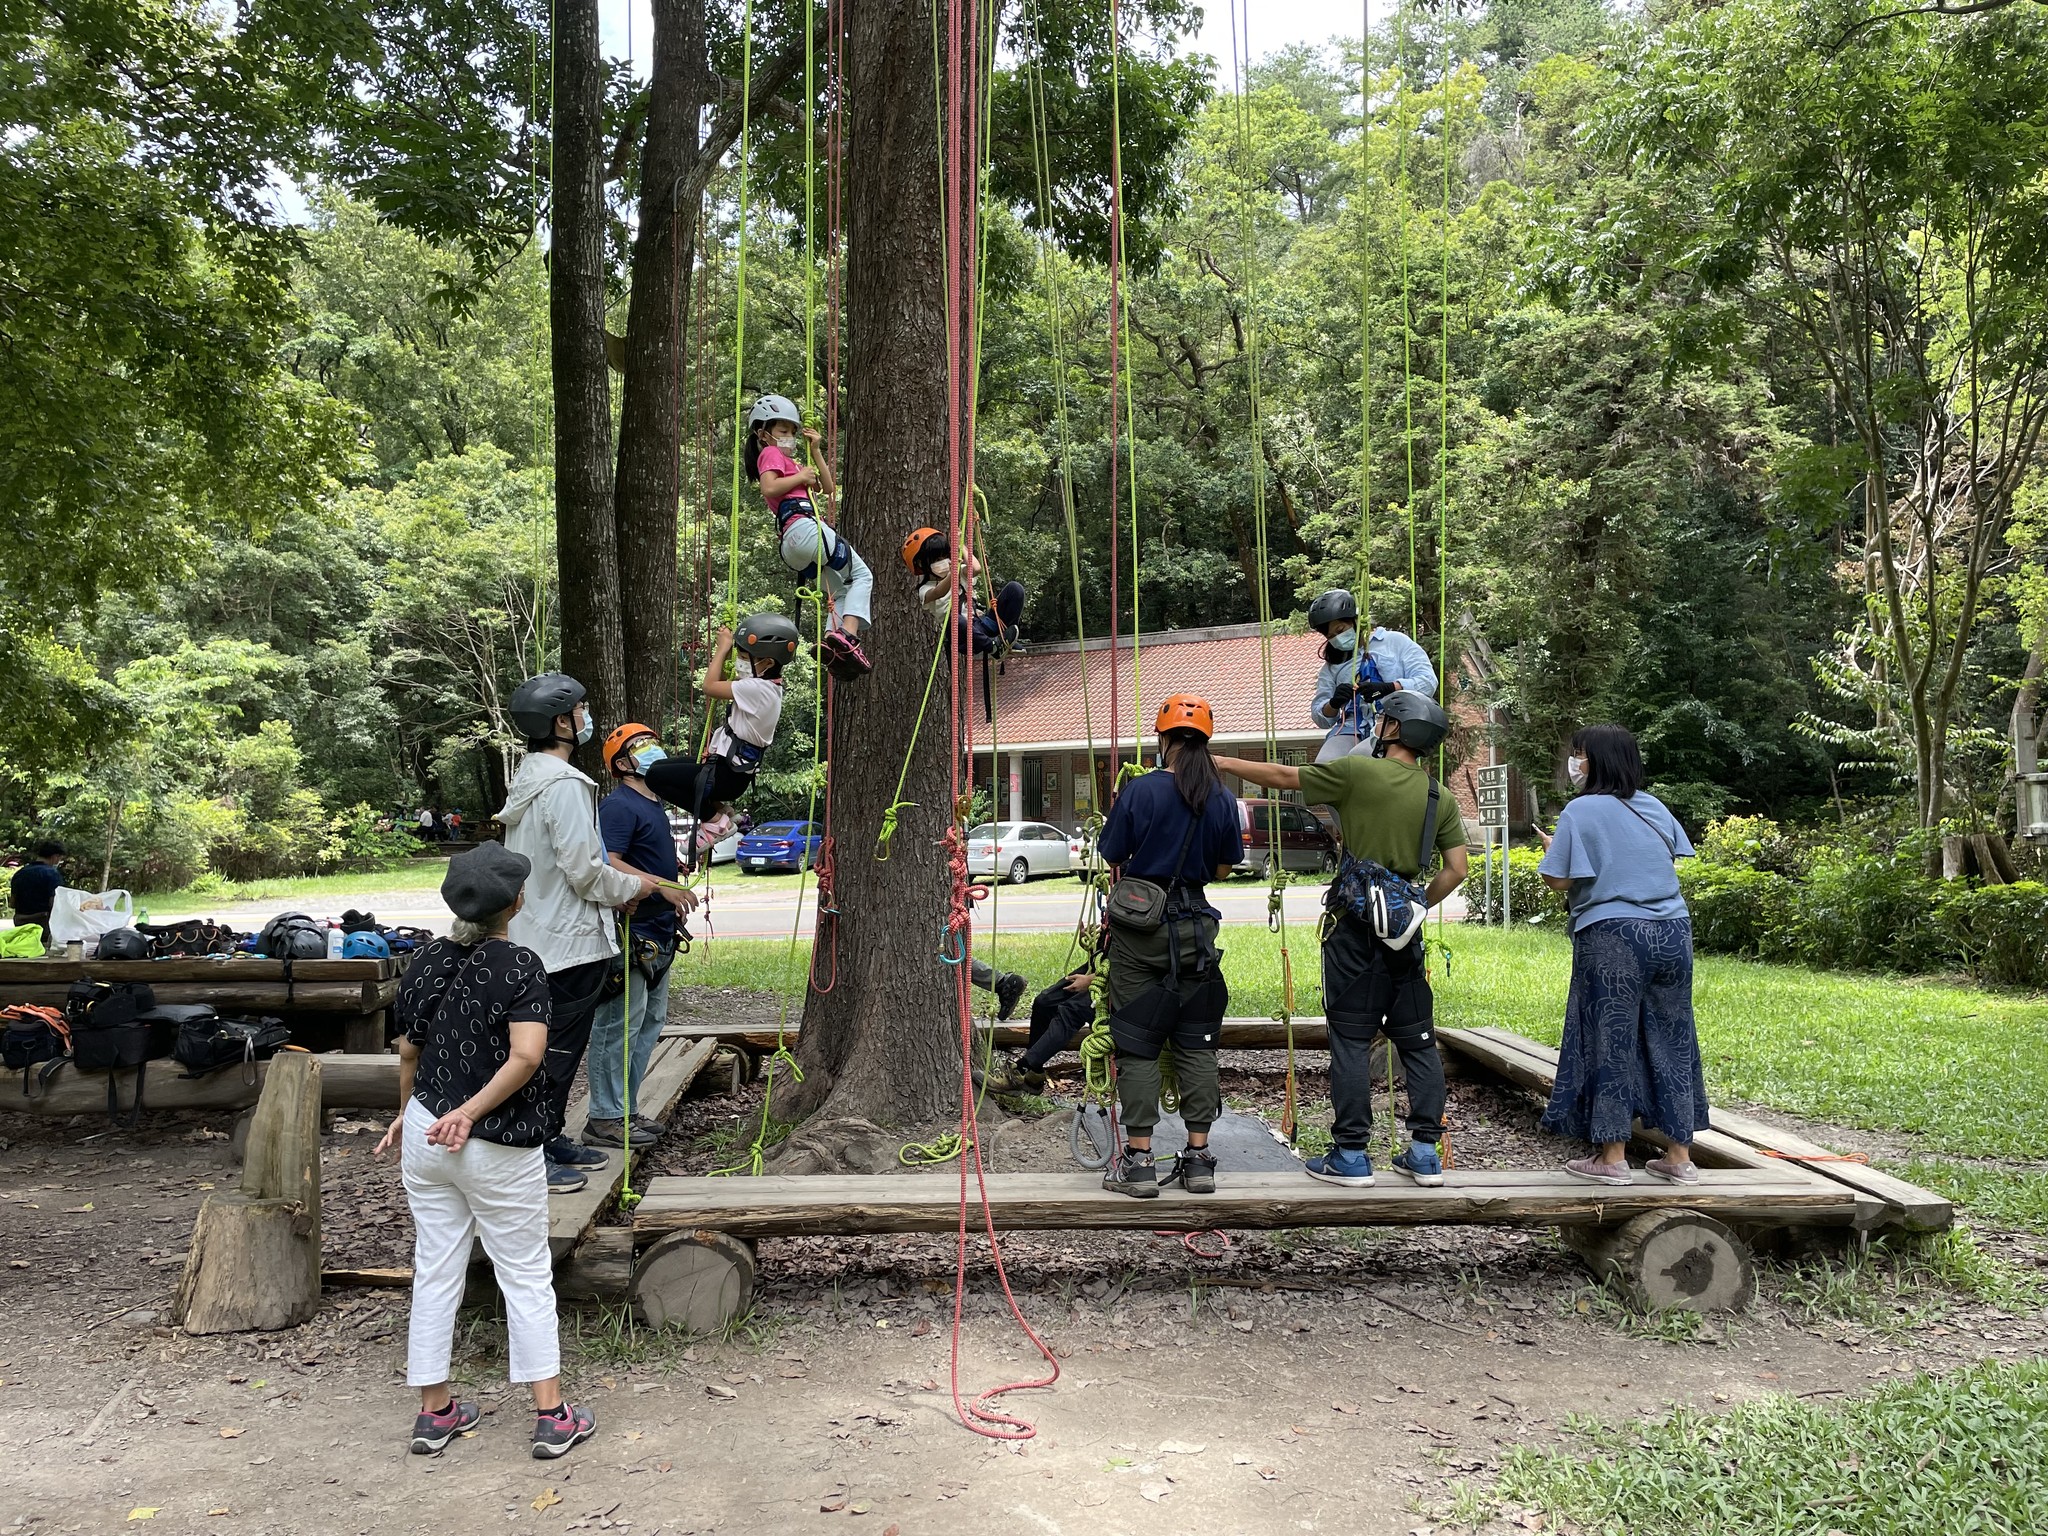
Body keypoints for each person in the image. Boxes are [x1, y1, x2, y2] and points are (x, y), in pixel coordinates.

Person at [374, 841, 598, 1461]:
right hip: (494, 1141)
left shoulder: (420, 961)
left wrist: (408, 1114)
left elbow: (409, 1054)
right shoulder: (521, 964)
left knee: (436, 1268)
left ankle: (435, 1412)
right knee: (523, 1272)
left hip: (425, 1135)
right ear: (516, 902)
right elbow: (527, 1057)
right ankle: (552, 1416)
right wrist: (469, 1113)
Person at [1220, 690, 1468, 1187]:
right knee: (1418, 1040)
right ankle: (1424, 1153)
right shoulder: (1438, 796)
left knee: (1352, 1040)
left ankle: (1351, 1155)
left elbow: (1288, 778)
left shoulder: (1358, 774)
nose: (1378, 726)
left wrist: (1220, 759)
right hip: (1405, 934)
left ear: (1395, 729)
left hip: (1352, 928)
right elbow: (1456, 869)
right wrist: (1412, 908)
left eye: (1384, 721)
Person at [499, 673, 664, 1194]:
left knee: (553, 1049)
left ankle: (549, 1136)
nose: (587, 718)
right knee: (554, 1053)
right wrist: (636, 887)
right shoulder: (565, 785)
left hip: (538, 935)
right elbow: (586, 870)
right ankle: (531, 1149)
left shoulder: (531, 775)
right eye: (581, 711)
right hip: (566, 942)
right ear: (561, 722)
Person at [1538, 724, 1705, 1186]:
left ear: (1596, 761)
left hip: (1614, 936)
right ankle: (1679, 1155)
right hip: (1673, 932)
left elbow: (1560, 881)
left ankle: (1611, 1158)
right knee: (1674, 1037)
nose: (1575, 762)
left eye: (1579, 754)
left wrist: (1553, 853)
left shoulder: (1580, 810)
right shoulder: (1654, 806)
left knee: (1610, 1037)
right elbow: (1660, 862)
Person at [1095, 695, 1245, 1198]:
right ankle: (1199, 1158)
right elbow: (1224, 866)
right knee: (1196, 1041)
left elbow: (1112, 853)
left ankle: (1139, 1162)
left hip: (1141, 932)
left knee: (1137, 1042)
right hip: (1196, 931)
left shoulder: (1140, 791)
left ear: (1164, 741)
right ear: (1205, 742)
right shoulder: (1220, 797)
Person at [588, 724, 701, 1151]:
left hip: (659, 930)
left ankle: (626, 1109)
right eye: (641, 746)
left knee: (648, 1024)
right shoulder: (618, 805)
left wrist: (670, 879)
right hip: (631, 931)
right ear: (621, 764)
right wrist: (661, 886)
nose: (653, 750)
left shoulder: (653, 802)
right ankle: (604, 1115)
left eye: (653, 742)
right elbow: (608, 861)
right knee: (619, 1024)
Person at [745, 394, 872, 679]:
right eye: (783, 431)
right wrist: (801, 478)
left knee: (839, 590)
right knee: (863, 576)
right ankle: (848, 637)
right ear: (763, 434)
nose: (789, 436)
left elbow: (827, 488)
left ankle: (833, 639)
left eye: (792, 431)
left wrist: (815, 451)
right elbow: (769, 488)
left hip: (794, 544)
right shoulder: (771, 454)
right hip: (805, 529)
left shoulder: (793, 465)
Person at [646, 615, 796, 855]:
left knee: (655, 776)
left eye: (745, 658)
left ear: (767, 662)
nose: (740, 662)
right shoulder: (765, 687)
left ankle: (714, 820)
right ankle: (720, 812)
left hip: (727, 775)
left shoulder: (757, 689)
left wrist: (723, 648)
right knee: (663, 767)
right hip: (727, 771)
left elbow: (709, 686)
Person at [1305, 589, 1438, 763]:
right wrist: (1334, 703)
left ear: (1355, 620)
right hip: (1351, 727)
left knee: (1359, 759)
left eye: (1340, 630)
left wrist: (1390, 688)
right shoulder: (1332, 667)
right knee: (1324, 767)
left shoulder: (1395, 642)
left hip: (1392, 724)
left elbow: (1428, 682)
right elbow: (1321, 718)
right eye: (1331, 636)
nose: (1337, 638)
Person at [900, 526, 1025, 659]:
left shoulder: (958, 572)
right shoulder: (924, 590)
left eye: (945, 556)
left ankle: (1005, 639)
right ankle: (993, 647)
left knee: (1015, 589)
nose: (943, 562)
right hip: (963, 636)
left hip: (981, 623)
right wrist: (953, 574)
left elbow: (976, 568)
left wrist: (961, 545)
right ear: (921, 563)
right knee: (954, 618)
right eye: (937, 560)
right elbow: (938, 592)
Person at [979, 970, 1095, 1095]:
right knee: (1045, 1002)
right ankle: (1033, 1075)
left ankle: (1020, 1071)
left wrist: (1090, 980)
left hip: (1114, 980)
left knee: (1071, 1012)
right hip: (1101, 964)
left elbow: (1119, 968)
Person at [9, 841, 64, 934]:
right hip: (42, 923)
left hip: (21, 923)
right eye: (60, 859)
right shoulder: (52, 874)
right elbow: (55, 903)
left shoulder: (20, 873)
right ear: (55, 857)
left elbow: (12, 903)